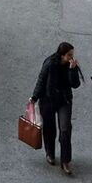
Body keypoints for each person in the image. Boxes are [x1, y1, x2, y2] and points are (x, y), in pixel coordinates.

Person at [30, 41, 82, 175]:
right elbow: (41, 80)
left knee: (65, 129)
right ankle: (50, 153)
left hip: (64, 100)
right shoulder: (49, 63)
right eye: (69, 55)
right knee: (49, 128)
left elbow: (75, 84)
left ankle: (65, 161)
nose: (71, 57)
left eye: (72, 54)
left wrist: (72, 70)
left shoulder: (71, 65)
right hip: (48, 100)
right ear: (62, 55)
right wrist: (34, 97)